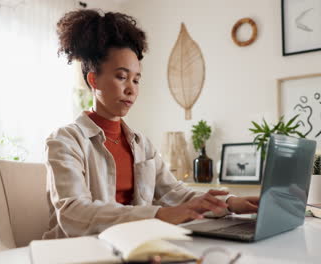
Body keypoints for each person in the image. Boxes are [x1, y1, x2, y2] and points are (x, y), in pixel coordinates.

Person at [43, 9, 259, 239]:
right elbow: (73, 213)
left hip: (133, 245)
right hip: (79, 251)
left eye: (136, 79)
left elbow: (176, 194)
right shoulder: (65, 140)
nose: (131, 88)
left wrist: (230, 202)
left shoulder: (141, 144)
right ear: (93, 80)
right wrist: (160, 215)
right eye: (121, 77)